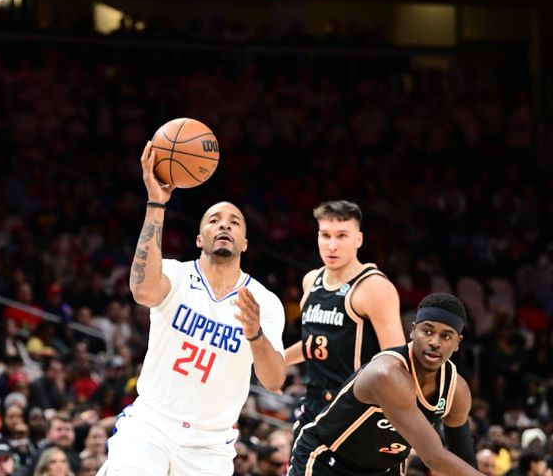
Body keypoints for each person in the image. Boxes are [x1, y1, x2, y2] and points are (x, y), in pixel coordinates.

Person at [98, 142, 287, 475]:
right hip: (152, 426)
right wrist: (157, 203)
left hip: (210, 446)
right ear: (200, 238)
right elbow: (142, 291)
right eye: (214, 220)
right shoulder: (176, 274)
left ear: (244, 243)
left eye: (234, 222)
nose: (225, 225)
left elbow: (274, 381)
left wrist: (256, 334)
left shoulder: (264, 301)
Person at [288, 293, 479, 476]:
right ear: (413, 330)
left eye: (446, 336)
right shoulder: (387, 374)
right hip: (328, 460)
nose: (434, 342)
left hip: (384, 470)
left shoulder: (457, 391)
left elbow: (464, 458)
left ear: (458, 342)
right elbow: (433, 456)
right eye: (427, 331)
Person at [284, 200, 405, 433]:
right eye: (325, 235)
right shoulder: (311, 280)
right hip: (313, 405)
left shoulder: (374, 287)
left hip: (357, 410)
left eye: (341, 236)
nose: (332, 245)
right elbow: (319, 341)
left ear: (358, 239)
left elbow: (396, 361)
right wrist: (277, 362)